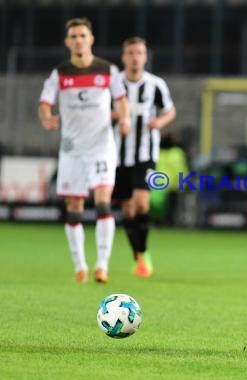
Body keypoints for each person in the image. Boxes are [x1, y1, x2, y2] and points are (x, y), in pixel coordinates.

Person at [38, 18, 130, 283]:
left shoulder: (107, 70)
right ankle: (80, 266)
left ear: (91, 39)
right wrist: (47, 118)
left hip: (101, 148)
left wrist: (123, 119)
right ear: (68, 42)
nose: (78, 40)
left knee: (103, 204)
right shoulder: (60, 74)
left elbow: (121, 100)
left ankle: (102, 265)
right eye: (73, 36)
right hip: (72, 150)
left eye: (82, 35)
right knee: (74, 208)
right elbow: (45, 103)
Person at [112, 37, 176, 277]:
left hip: (145, 153)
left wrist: (159, 121)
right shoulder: (114, 84)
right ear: (124, 57)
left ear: (145, 56)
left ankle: (145, 253)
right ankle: (137, 255)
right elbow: (101, 112)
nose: (135, 57)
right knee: (127, 209)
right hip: (117, 155)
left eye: (139, 52)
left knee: (142, 202)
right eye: (131, 52)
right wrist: (118, 117)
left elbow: (170, 110)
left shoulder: (155, 84)